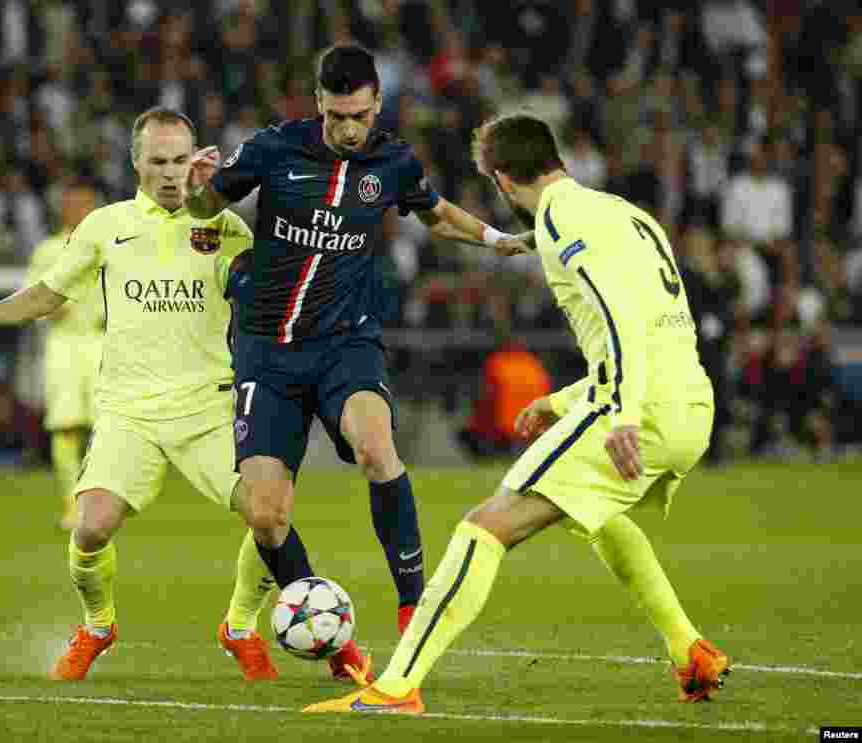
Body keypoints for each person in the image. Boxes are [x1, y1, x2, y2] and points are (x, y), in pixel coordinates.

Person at [303, 112, 728, 715]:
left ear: (502, 180)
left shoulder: (560, 218)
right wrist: (561, 400)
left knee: (484, 526)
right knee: (599, 515)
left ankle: (396, 687)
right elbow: (656, 328)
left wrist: (625, 412)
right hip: (691, 402)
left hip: (638, 409)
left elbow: (618, 320)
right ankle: (690, 650)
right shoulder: (625, 213)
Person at [0, 107, 361, 684]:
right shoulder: (105, 226)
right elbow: (47, 294)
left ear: (197, 160)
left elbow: (278, 293)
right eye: (157, 161)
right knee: (90, 529)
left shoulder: (226, 228)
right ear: (136, 162)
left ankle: (239, 625)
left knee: (270, 516)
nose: (169, 172)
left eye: (180, 160)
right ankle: (98, 624)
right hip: (128, 411)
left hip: (210, 407)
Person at [184, 45, 528, 645]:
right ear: (319, 102)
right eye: (338, 115)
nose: (349, 128)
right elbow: (206, 205)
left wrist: (496, 238)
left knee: (376, 447)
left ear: (376, 106)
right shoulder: (273, 148)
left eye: (360, 116)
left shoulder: (392, 161)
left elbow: (435, 213)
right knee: (266, 516)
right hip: (267, 352)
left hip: (346, 343)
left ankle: (413, 608)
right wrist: (194, 189)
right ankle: (322, 626)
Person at [24, 180, 105, 529]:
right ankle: (72, 505)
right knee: (66, 427)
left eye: (86, 203)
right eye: (73, 203)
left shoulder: (110, 245)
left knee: (107, 429)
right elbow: (31, 296)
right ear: (63, 208)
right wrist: (49, 308)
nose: (79, 210)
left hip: (104, 340)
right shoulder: (48, 250)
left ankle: (99, 502)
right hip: (64, 342)